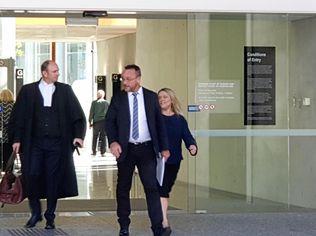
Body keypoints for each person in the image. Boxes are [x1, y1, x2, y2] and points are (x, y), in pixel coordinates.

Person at [9, 60, 86, 230]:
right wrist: (16, 139)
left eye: (57, 71)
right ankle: (35, 212)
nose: (58, 73)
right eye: (54, 71)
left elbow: (77, 115)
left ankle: (50, 215)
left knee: (54, 179)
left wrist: (78, 136)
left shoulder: (65, 90)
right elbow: (18, 117)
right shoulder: (28, 91)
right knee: (32, 176)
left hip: (57, 144)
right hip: (33, 143)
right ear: (44, 73)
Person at [105, 64, 170, 236]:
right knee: (123, 188)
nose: (125, 82)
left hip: (146, 149)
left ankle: (158, 227)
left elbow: (159, 124)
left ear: (138, 78)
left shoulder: (150, 97)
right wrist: (113, 142)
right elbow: (109, 122)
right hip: (126, 150)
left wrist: (164, 147)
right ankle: (124, 225)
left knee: (151, 187)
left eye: (128, 79)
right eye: (123, 78)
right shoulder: (118, 98)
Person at [157, 88, 198, 234]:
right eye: (160, 97)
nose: (162, 100)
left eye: (165, 97)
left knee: (164, 189)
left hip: (173, 161)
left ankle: (160, 219)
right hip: (156, 161)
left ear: (172, 100)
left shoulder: (179, 120)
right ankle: (163, 222)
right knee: (160, 191)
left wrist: (192, 146)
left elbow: (187, 136)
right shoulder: (154, 118)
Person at [88, 89, 109, 156]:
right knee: (103, 137)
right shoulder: (106, 103)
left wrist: (90, 121)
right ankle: (103, 152)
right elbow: (109, 113)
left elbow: (91, 112)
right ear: (103, 95)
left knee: (95, 137)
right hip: (104, 121)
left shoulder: (94, 103)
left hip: (96, 122)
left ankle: (94, 151)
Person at [0, 89, 15, 170]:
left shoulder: (0, 106)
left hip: (1, 136)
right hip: (11, 136)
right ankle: (8, 175)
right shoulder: (14, 106)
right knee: (9, 156)